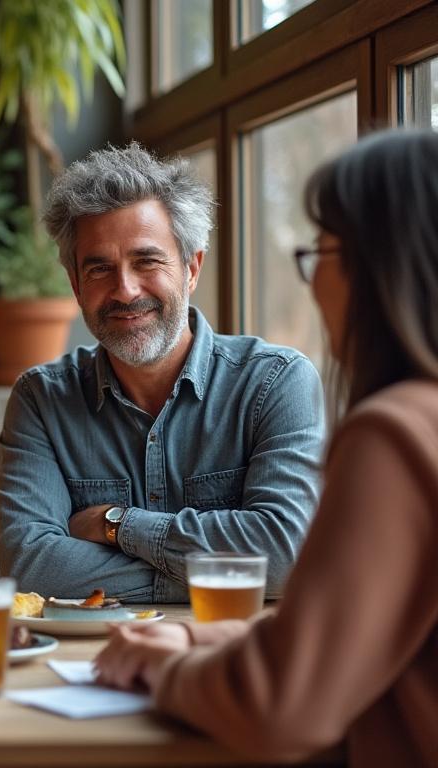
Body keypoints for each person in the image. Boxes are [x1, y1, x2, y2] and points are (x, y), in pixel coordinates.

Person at [94, 130, 438, 765]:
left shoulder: (392, 435)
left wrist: (160, 674)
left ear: (379, 268)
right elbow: (360, 632)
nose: (312, 282)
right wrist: (202, 636)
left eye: (323, 251)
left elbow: (280, 708)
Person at [0, 142, 325, 602]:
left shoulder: (276, 383)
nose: (125, 290)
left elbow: (285, 555)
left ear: (191, 268)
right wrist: (211, 578)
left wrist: (118, 524)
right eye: (100, 269)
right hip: (86, 662)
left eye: (146, 261)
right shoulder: (42, 400)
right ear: (75, 284)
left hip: (230, 656)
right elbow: (30, 569)